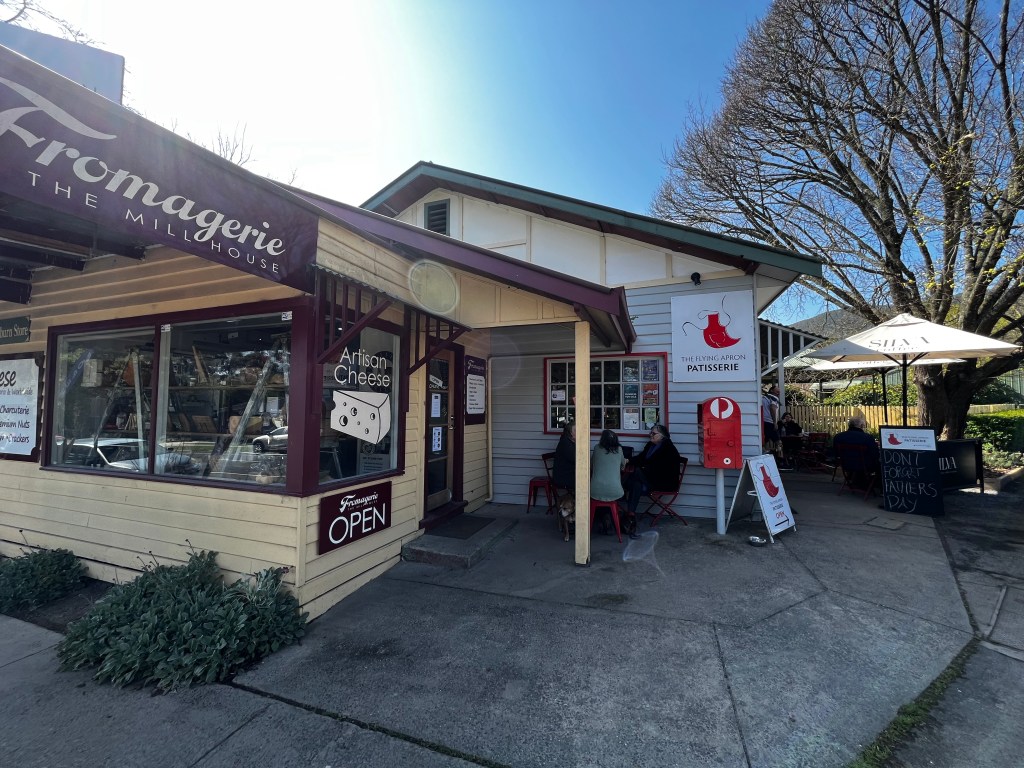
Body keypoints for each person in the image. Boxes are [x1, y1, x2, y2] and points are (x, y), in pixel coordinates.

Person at [624, 424, 681, 532]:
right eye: (650, 433)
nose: (650, 435)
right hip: (650, 478)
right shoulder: (650, 445)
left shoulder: (668, 449)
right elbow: (641, 458)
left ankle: (622, 487)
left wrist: (643, 469)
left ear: (662, 436)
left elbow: (661, 470)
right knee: (636, 484)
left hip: (663, 482)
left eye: (653, 433)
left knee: (636, 472)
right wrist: (628, 461)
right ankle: (630, 515)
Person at [590, 429, 627, 535]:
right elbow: (623, 466)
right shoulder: (619, 449)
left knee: (599, 496)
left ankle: (602, 519)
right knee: (611, 494)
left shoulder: (597, 448)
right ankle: (609, 519)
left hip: (595, 490)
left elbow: (591, 465)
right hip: (615, 491)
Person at [832, 416, 880, 488]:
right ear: (861, 426)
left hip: (846, 465)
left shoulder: (838, 437)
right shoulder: (867, 438)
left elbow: (836, 454)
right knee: (880, 465)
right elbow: (875, 454)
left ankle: (855, 480)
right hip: (865, 466)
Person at [552, 421, 576, 495]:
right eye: (575, 430)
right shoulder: (565, 443)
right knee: (586, 481)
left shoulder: (570, 442)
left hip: (570, 473)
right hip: (563, 477)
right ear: (570, 433)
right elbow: (575, 459)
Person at [761, 385, 781, 454]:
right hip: (770, 422)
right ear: (772, 390)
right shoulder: (774, 398)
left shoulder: (763, 398)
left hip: (763, 422)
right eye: (777, 390)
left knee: (765, 440)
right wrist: (775, 422)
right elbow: (772, 408)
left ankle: (764, 455)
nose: (779, 392)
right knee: (778, 442)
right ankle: (780, 458)